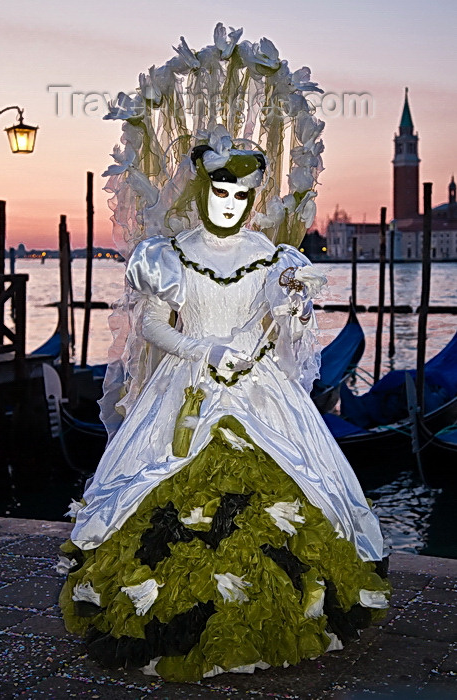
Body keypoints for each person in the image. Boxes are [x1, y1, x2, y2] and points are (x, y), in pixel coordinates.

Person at [59, 26, 390, 683]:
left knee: (294, 481)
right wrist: (198, 347)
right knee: (161, 482)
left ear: (253, 196)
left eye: (242, 196)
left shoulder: (272, 255)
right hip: (189, 381)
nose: (232, 205)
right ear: (202, 190)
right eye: (221, 194)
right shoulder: (170, 256)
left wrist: (294, 306)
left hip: (260, 388)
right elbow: (153, 323)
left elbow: (283, 320)